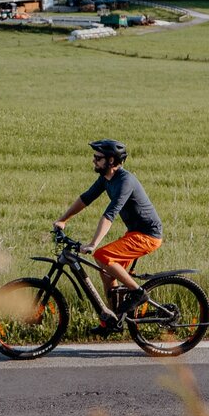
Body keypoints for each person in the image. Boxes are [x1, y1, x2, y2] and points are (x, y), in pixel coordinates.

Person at [53, 139, 163, 336]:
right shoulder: (106, 179)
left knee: (103, 255)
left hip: (148, 235)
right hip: (134, 234)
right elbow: (85, 198)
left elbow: (110, 214)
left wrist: (93, 244)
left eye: (98, 158)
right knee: (106, 272)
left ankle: (138, 293)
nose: (94, 161)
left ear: (111, 161)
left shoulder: (125, 181)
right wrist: (63, 220)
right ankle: (113, 320)